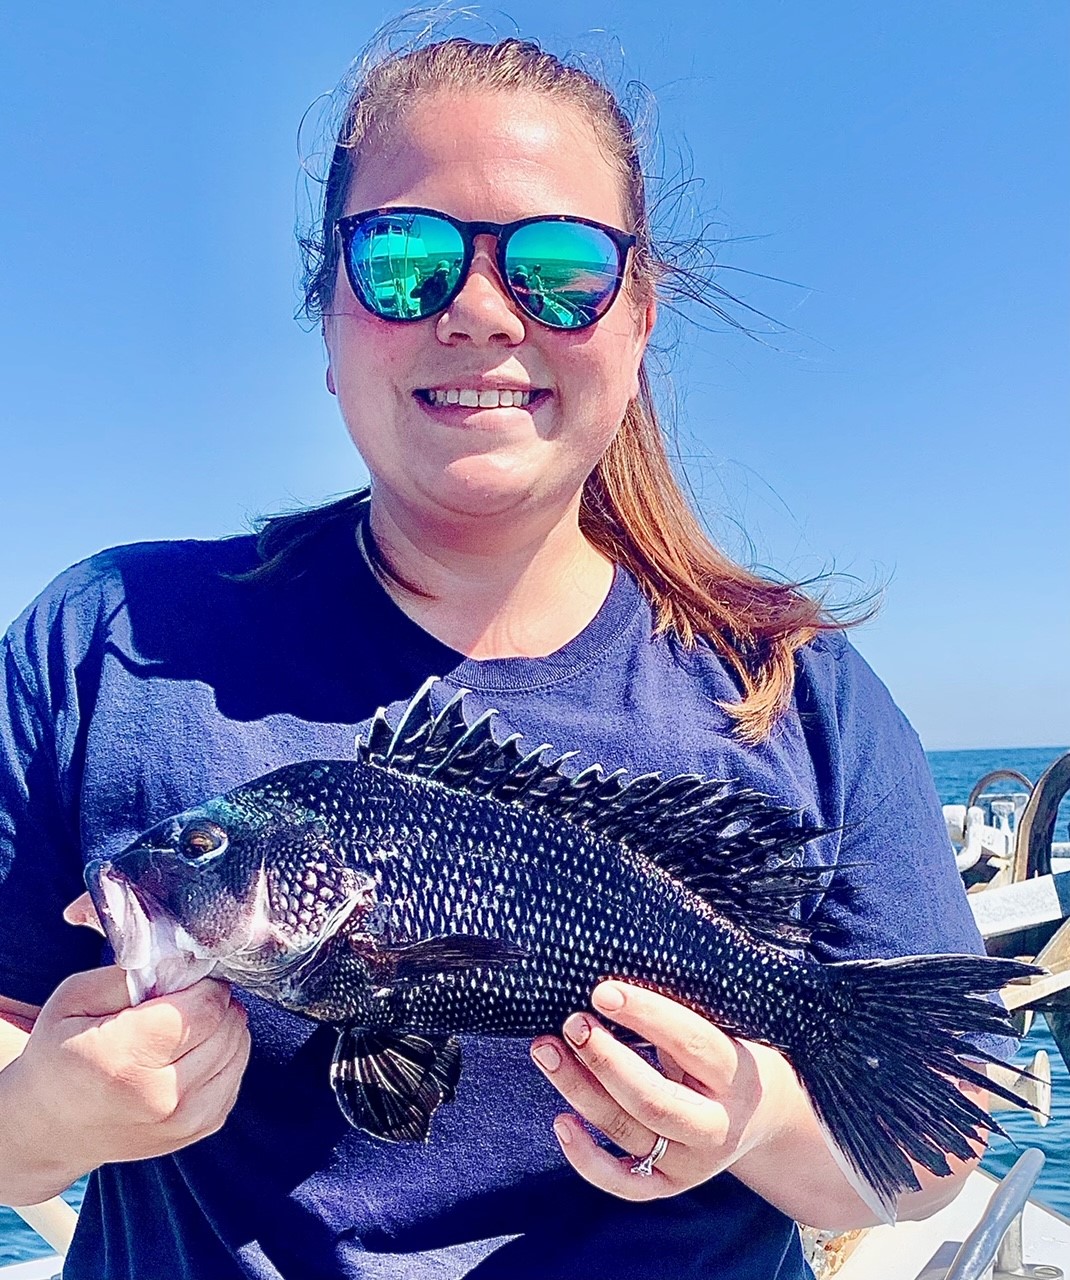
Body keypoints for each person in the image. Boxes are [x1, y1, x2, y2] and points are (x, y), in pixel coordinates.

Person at [0, 32, 1006, 1280]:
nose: (479, 311)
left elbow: (928, 1147)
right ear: (327, 318)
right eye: (402, 260)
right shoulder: (107, 642)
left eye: (558, 268)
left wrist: (751, 1120)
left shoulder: (793, 689)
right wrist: (40, 1116)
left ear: (636, 325)